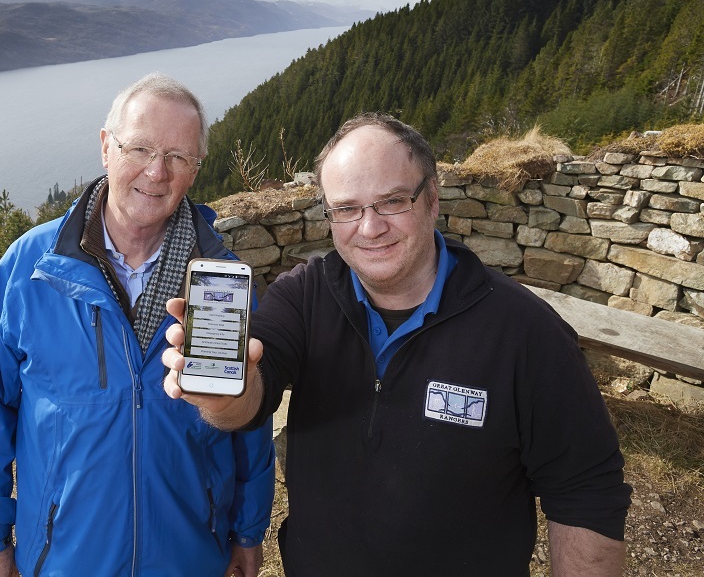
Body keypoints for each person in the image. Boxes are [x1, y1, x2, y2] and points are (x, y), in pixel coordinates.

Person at [163, 112, 632, 576]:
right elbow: (252, 393)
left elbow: (586, 489)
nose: (369, 228)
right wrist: (221, 393)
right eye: (346, 208)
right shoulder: (304, 297)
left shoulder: (526, 333)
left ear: (432, 199)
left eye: (391, 201)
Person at [0, 73, 275, 577]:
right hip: (66, 559)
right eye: (139, 147)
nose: (156, 171)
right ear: (106, 148)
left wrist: (248, 532)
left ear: (195, 170)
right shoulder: (30, 267)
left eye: (178, 157)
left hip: (190, 558)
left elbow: (247, 426)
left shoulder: (219, 281)